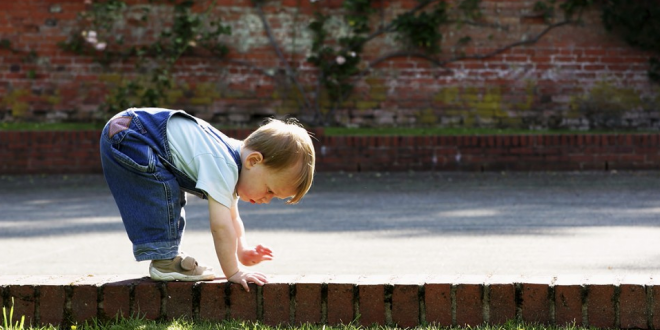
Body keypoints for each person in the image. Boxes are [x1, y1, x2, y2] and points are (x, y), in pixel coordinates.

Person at [99, 108, 315, 291]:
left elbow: (232, 217)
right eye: (269, 190)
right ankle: (165, 261)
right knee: (163, 189)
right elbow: (220, 226)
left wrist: (243, 251)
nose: (266, 199)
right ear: (254, 161)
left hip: (129, 130)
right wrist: (234, 273)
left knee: (165, 185)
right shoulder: (224, 165)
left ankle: (165, 256)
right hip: (133, 136)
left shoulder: (232, 158)